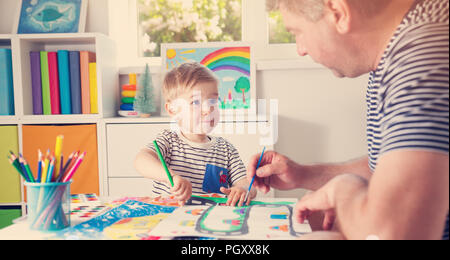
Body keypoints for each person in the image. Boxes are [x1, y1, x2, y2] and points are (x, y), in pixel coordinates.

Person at [248, 0, 449, 240]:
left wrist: (342, 191)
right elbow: (387, 170)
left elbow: (392, 234)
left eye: (297, 33)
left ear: (338, 12)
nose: (300, 49)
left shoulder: (424, 56)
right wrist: (302, 175)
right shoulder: (395, 53)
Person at [135, 62, 257, 206]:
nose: (207, 109)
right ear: (173, 110)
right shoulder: (168, 141)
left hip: (212, 222)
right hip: (170, 221)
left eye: (213, 101)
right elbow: (141, 160)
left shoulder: (226, 149)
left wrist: (242, 189)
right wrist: (171, 177)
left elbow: (248, 183)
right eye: (195, 102)